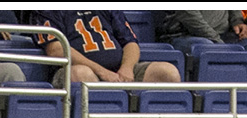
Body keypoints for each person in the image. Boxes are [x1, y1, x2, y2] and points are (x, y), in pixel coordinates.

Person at [28, 11, 182, 86]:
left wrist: (127, 68)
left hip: (118, 70)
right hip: (78, 70)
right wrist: (102, 72)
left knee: (167, 72)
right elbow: (56, 50)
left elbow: (131, 43)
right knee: (81, 74)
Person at [157, 11, 247, 55]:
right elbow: (188, 16)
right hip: (183, 36)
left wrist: (237, 21)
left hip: (223, 37)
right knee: (208, 48)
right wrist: (217, 41)